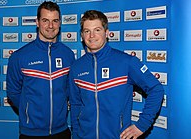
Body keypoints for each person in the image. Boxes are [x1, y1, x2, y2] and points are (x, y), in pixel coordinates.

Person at [68, 10, 164, 139]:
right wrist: (75, 135)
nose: (92, 35)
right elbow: (75, 105)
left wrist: (141, 125)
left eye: (97, 30)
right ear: (81, 35)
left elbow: (156, 89)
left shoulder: (126, 62)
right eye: (87, 31)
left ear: (106, 33)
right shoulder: (76, 67)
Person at [6, 1, 75, 139]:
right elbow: (13, 92)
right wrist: (29, 111)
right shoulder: (20, 56)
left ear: (60, 23)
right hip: (31, 133)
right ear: (37, 22)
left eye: (55, 21)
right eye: (45, 20)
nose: (50, 26)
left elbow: (69, 89)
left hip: (61, 131)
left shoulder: (68, 54)